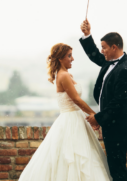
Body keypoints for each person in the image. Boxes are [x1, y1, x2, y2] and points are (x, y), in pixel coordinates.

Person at [18, 43, 112, 181]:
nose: (72, 59)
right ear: (60, 58)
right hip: (71, 120)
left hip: (76, 118)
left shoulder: (66, 74)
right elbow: (77, 100)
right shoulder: (63, 76)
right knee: (73, 157)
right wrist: (95, 116)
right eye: (69, 56)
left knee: (78, 157)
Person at [80, 19, 127, 181]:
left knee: (117, 169)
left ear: (114, 47)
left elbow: (119, 104)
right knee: (115, 166)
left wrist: (97, 118)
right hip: (112, 124)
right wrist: (87, 35)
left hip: (118, 127)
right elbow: (95, 56)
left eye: (104, 47)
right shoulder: (109, 62)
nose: (102, 51)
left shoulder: (124, 70)